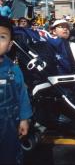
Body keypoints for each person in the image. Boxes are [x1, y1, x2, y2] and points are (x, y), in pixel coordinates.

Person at [0, 16, 32, 164]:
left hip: (10, 125)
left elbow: (22, 95)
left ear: (10, 44)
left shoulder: (14, 69)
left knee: (10, 154)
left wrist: (24, 119)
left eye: (2, 37)